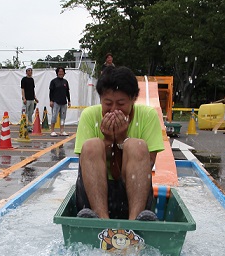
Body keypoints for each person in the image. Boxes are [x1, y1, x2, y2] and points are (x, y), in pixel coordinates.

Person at [74, 66, 164, 221]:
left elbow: (148, 164)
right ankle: (101, 219)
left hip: (134, 194)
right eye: (108, 103)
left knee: (137, 146)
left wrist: (123, 139)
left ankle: (135, 221)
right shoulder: (89, 115)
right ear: (100, 99)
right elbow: (85, 162)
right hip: (94, 193)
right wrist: (108, 141)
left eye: (121, 103)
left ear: (134, 98)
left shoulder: (148, 116)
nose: (114, 110)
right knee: (92, 146)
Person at [49, 67, 71, 136]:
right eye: (59, 72)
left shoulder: (65, 82)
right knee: (54, 116)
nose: (61, 73)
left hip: (64, 102)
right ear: (57, 73)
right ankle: (52, 130)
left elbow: (67, 92)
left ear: (64, 73)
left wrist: (69, 101)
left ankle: (62, 131)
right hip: (56, 102)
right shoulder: (53, 81)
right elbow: (51, 92)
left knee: (63, 117)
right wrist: (51, 101)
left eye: (62, 72)